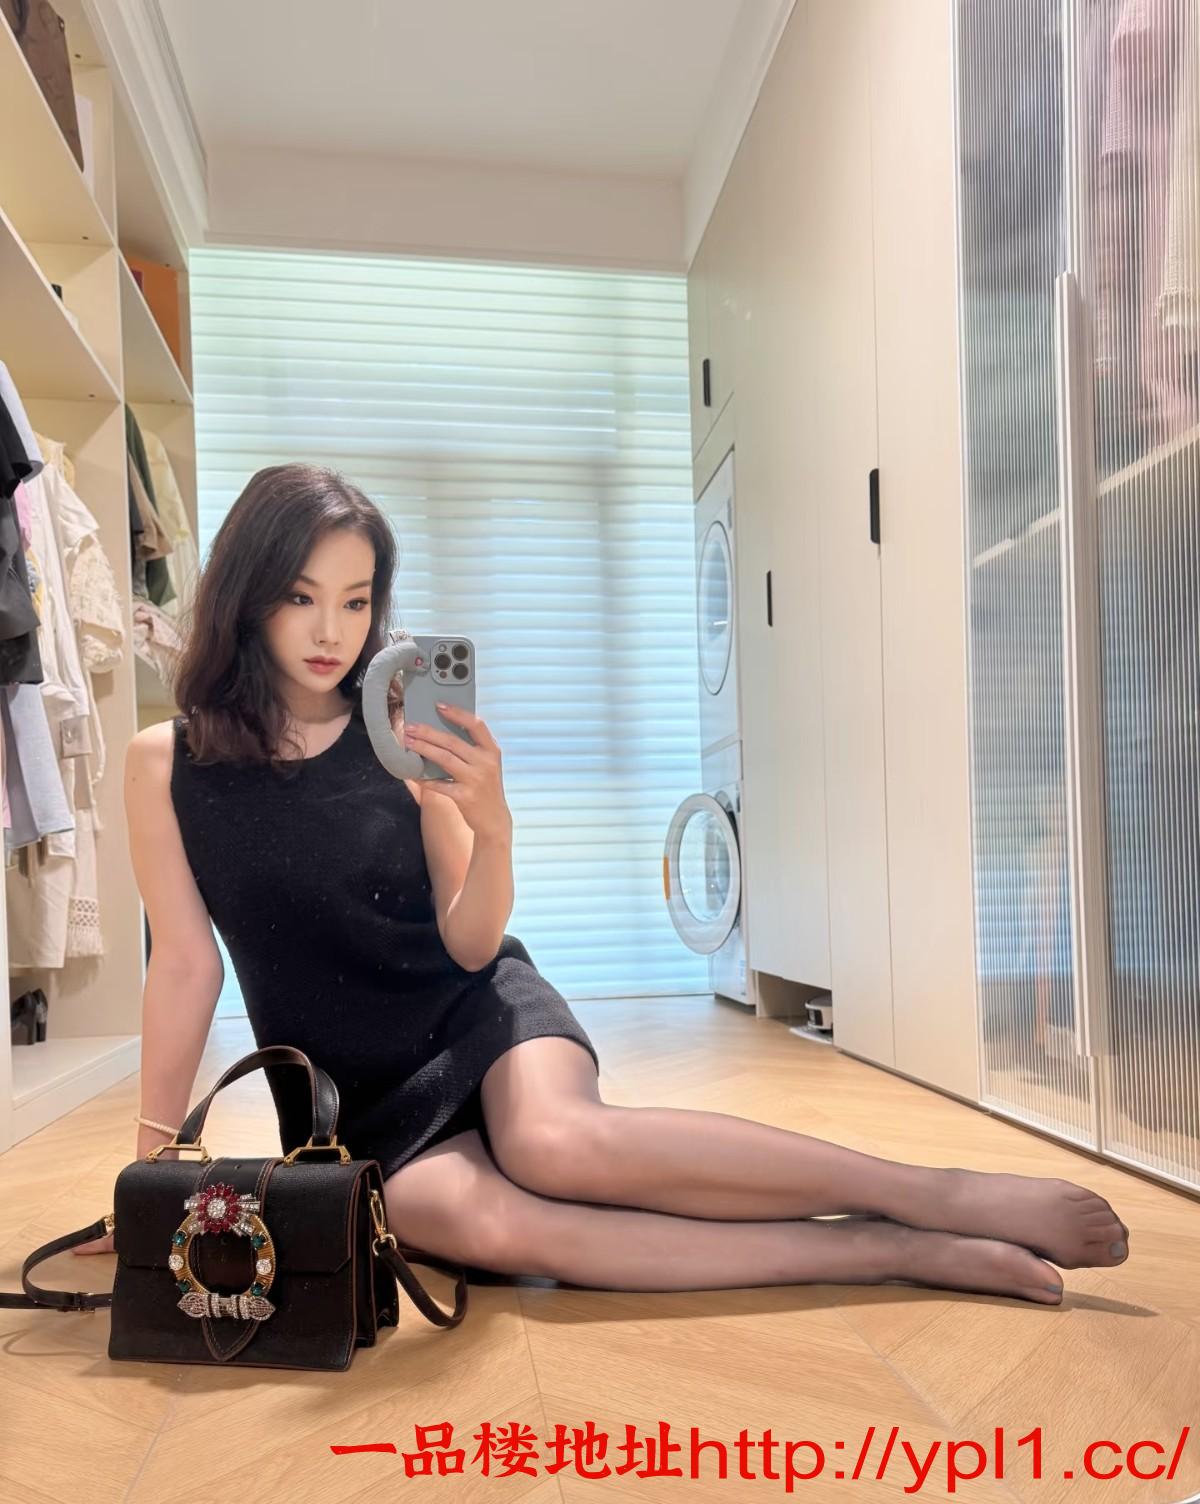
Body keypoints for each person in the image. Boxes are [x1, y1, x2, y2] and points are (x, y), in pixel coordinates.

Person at [74, 462, 1131, 1304]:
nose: (330, 632)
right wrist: (150, 1174)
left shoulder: (400, 728)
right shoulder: (166, 766)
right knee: (476, 1222)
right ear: (247, 594)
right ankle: (889, 1251)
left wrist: (493, 825)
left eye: (355, 601)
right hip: (352, 1100)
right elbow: (185, 967)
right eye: (301, 597)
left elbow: (473, 943)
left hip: (477, 1017)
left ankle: (932, 1195)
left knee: (553, 1143)